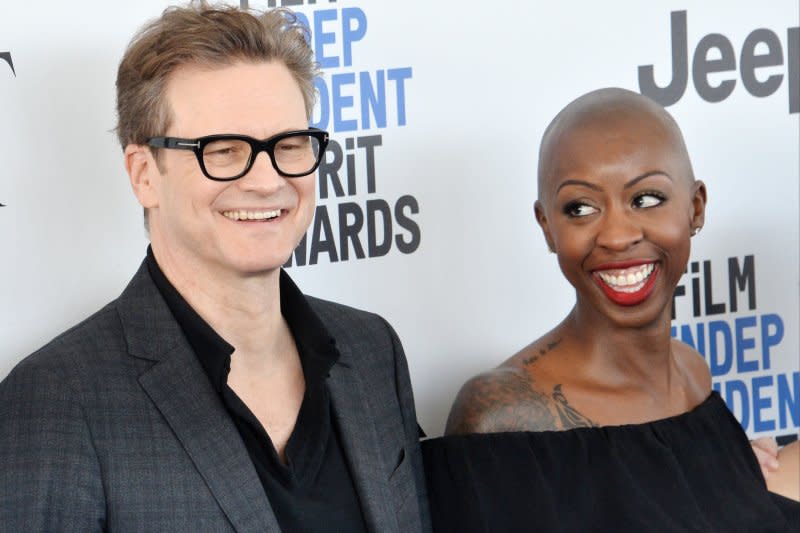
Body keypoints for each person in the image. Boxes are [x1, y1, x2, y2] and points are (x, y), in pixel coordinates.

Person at [0, 2, 429, 531]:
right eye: (224, 151)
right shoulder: (55, 401)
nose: (268, 180)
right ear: (143, 174)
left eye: (289, 145)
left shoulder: (371, 350)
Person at [422, 88, 799, 531]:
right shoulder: (501, 414)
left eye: (646, 199)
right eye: (580, 208)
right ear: (547, 227)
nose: (617, 236)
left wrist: (729, 483)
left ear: (695, 207)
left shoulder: (693, 375)